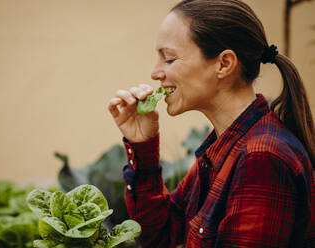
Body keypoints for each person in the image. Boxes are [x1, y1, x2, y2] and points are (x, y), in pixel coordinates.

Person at [107, 0, 315, 247]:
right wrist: (143, 146)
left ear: (224, 64)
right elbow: (161, 236)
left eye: (169, 58)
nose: (155, 73)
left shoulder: (260, 158)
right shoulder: (224, 148)